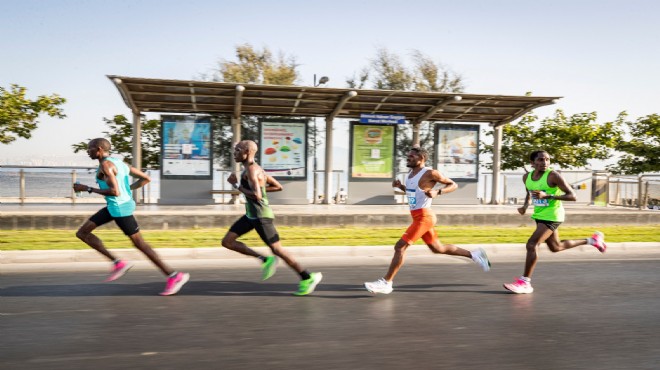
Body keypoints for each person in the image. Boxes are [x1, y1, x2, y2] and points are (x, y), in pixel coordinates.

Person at [364, 146, 491, 294]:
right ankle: (475, 255)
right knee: (438, 248)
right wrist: (401, 187)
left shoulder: (430, 173)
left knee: (400, 247)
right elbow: (414, 194)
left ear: (421, 158)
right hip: (418, 217)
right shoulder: (410, 174)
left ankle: (386, 282)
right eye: (408, 156)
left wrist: (438, 191)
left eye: (412, 156)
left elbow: (453, 184)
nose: (408, 158)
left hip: (424, 217)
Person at [73, 138, 189, 296]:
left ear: (99, 149)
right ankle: (118, 263)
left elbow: (115, 192)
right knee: (82, 232)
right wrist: (128, 187)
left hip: (120, 208)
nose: (88, 151)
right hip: (115, 206)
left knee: (140, 244)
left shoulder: (106, 165)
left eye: (90, 148)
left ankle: (174, 275)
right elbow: (146, 179)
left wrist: (87, 188)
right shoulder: (119, 163)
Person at [222, 140, 323, 296]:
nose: (234, 153)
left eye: (237, 150)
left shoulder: (251, 170)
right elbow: (277, 186)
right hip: (251, 215)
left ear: (247, 152)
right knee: (227, 242)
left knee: (278, 250)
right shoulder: (257, 170)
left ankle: (307, 277)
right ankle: (265, 260)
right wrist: (260, 190)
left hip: (261, 216)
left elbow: (257, 195)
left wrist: (237, 186)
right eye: (235, 150)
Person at [503, 150, 606, 294]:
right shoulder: (527, 177)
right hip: (539, 215)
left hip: (553, 216)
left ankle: (525, 282)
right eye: (540, 160)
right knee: (556, 247)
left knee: (532, 244)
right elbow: (529, 192)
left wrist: (548, 195)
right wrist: (525, 206)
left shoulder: (553, 176)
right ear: (532, 163)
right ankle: (592, 240)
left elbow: (572, 196)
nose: (544, 162)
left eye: (547, 159)